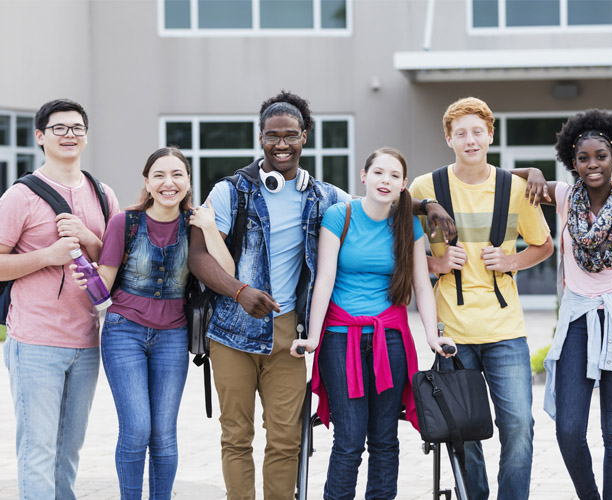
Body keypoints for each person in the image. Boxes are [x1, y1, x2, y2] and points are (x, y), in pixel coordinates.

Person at [187, 91, 455, 500]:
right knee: (236, 435)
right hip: (232, 330)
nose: (281, 143)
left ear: (304, 137)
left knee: (287, 437)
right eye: (272, 135)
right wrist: (240, 291)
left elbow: (378, 202)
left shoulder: (324, 197)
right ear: (260, 137)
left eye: (290, 135)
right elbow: (198, 257)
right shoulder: (230, 192)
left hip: (287, 328)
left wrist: (427, 204)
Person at [514, 109, 612, 499]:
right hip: (577, 321)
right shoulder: (565, 197)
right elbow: (500, 176)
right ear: (572, 161)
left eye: (600, 155)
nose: (592, 164)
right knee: (568, 429)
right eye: (582, 158)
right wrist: (532, 172)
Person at [291, 147, 457, 500]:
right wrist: (313, 338)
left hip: (391, 340)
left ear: (403, 184)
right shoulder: (340, 216)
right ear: (364, 176)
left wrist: (432, 336)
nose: (386, 181)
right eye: (379, 173)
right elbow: (324, 280)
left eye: (394, 176)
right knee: (349, 440)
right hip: (340, 339)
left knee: (384, 439)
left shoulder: (408, 224)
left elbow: (421, 284)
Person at [410, 97, 554, 500]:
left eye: (477, 132)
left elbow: (544, 246)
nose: (470, 140)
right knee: (463, 430)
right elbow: (396, 244)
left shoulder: (515, 187)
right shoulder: (425, 188)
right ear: (448, 138)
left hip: (504, 329)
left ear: (490, 135)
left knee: (519, 426)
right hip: (451, 330)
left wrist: (512, 259)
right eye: (461, 133)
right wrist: (433, 265)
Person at [71, 147, 226, 499]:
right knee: (137, 428)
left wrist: (211, 228)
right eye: (159, 175)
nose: (168, 183)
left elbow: (226, 273)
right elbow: (104, 287)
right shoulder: (124, 223)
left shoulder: (196, 226)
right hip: (124, 331)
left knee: (164, 434)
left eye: (177, 175)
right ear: (147, 182)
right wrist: (89, 279)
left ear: (188, 181)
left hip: (173, 336)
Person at [0, 98, 120, 500]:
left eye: (76, 128)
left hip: (87, 341)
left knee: (69, 452)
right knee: (37, 450)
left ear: (86, 136)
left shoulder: (103, 195)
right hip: (35, 340)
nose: (69, 135)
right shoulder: (20, 196)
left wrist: (89, 238)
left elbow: (117, 261)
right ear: (40, 136)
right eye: (59, 128)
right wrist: (46, 257)